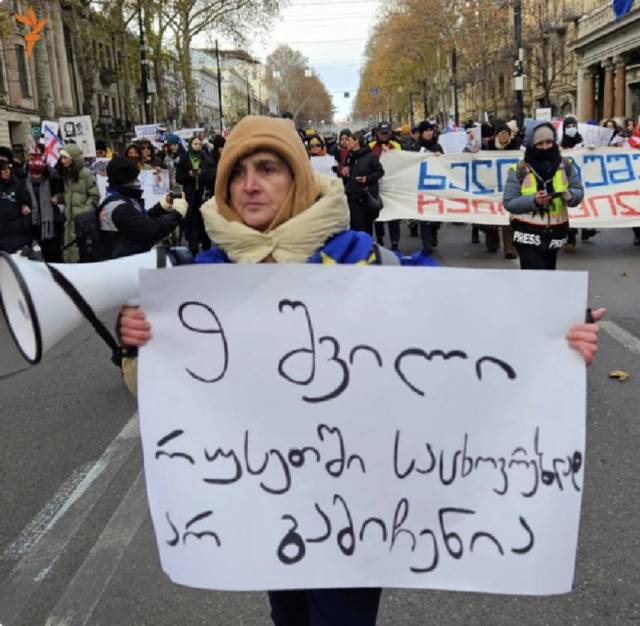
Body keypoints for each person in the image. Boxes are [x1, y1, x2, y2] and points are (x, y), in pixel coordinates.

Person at [118, 115, 605, 626]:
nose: (251, 185)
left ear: (299, 179)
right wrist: (138, 346)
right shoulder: (204, 278)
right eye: (236, 174)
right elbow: (163, 392)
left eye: (267, 169)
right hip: (264, 496)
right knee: (288, 615)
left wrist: (550, 340)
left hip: (356, 495)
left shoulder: (359, 259)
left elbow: (466, 325)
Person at [503, 121, 583, 270]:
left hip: (555, 233)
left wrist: (571, 196)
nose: (545, 147)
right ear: (532, 144)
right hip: (527, 234)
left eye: (549, 142)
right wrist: (533, 200)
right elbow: (509, 202)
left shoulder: (566, 165)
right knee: (534, 278)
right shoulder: (518, 169)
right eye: (540, 144)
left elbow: (578, 190)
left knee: (548, 275)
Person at [96, 155, 186, 259]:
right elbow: (152, 229)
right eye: (134, 179)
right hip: (125, 263)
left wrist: (161, 207)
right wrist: (177, 213)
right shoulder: (120, 208)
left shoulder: (121, 199)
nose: (137, 181)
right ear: (125, 180)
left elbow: (141, 218)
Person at [560, 117, 597, 251]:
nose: (571, 128)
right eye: (568, 126)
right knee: (569, 208)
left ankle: (586, 228)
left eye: (573, 125)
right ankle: (570, 238)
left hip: (582, 180)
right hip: (566, 181)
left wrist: (591, 150)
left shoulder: (582, 143)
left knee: (582, 206)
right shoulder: (560, 144)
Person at [59, 144, 100, 262]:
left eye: (64, 158)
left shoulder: (87, 174)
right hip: (70, 219)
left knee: (80, 250)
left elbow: (94, 196)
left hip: (81, 220)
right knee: (70, 248)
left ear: (73, 158)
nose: (62, 161)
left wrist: (84, 215)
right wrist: (60, 198)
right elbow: (72, 195)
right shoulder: (67, 175)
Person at [175, 136, 216, 255]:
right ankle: (193, 250)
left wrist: (202, 174)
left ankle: (207, 249)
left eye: (199, 144)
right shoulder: (184, 159)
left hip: (204, 196)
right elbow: (179, 178)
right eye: (195, 144)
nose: (197, 146)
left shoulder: (207, 159)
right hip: (191, 197)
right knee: (192, 224)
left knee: (205, 223)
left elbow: (213, 176)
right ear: (190, 145)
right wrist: (189, 175)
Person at [412, 121, 444, 254]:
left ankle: (434, 232)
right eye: (426, 130)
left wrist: (441, 157)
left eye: (431, 130)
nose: (429, 133)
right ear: (421, 133)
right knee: (424, 215)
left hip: (437, 185)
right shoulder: (415, 147)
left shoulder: (438, 146)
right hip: (421, 185)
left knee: (436, 215)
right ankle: (427, 244)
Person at [345, 130, 385, 235]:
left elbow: (380, 172)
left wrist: (367, 179)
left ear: (357, 141)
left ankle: (367, 247)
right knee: (356, 224)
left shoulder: (370, 157)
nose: (346, 143)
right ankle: (358, 248)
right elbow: (348, 175)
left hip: (366, 196)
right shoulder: (350, 157)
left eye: (349, 140)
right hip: (352, 196)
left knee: (367, 226)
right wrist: (343, 172)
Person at [25, 156, 65, 262]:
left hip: (52, 223)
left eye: (38, 174)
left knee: (54, 254)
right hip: (35, 224)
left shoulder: (50, 181)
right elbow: (23, 200)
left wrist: (46, 166)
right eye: (33, 173)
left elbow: (56, 176)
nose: (36, 176)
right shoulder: (26, 184)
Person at [370, 122, 402, 251]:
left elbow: (402, 161)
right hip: (377, 185)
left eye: (386, 133)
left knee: (393, 215)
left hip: (392, 185)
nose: (384, 135)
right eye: (382, 133)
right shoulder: (371, 146)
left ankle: (395, 242)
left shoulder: (396, 146)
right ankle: (380, 239)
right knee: (378, 214)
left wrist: (390, 154)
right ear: (377, 133)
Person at [0, 159, 32, 253]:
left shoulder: (17, 184)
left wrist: (25, 206)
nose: (7, 171)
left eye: (8, 168)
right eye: (3, 169)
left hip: (18, 233)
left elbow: (26, 201)